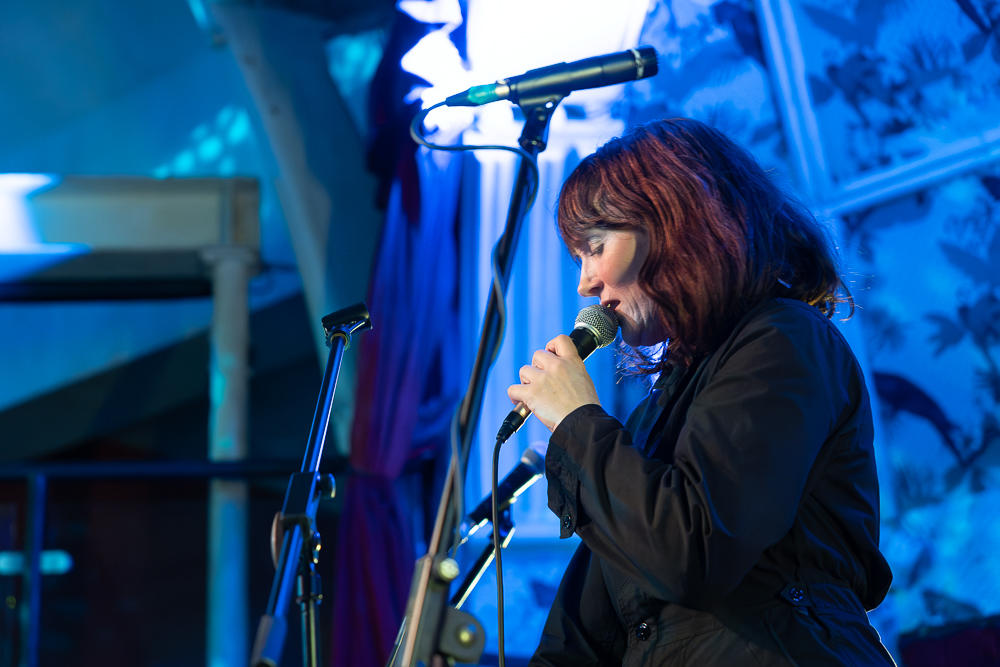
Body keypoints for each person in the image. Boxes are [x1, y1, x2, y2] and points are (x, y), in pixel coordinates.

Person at [506, 118, 895, 666]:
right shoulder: (649, 420)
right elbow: (581, 637)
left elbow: (691, 552)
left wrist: (577, 419)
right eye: (579, 259)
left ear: (674, 225)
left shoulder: (783, 338)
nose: (585, 283)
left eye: (595, 247)